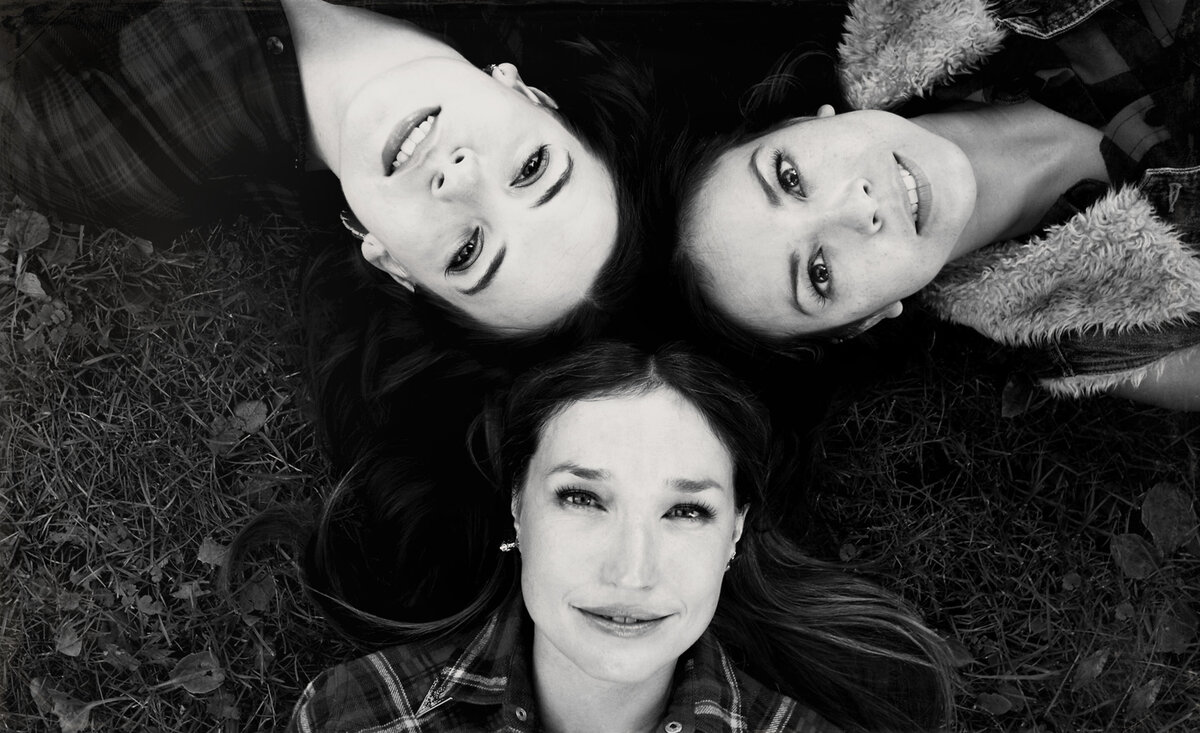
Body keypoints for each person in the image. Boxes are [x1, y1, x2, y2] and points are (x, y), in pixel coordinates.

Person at [277, 341, 955, 732]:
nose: (632, 572)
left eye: (687, 511)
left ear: (734, 534)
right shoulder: (353, 718)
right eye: (581, 497)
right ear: (517, 507)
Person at [0, 0, 648, 335]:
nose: (460, 181)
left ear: (390, 261)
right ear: (530, 94)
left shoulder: (117, 150)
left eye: (468, 251)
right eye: (532, 167)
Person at [672, 0, 1200, 409]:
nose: (856, 209)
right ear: (869, 318)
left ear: (805, 123)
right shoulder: (1098, 344)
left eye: (789, 178)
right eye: (819, 273)